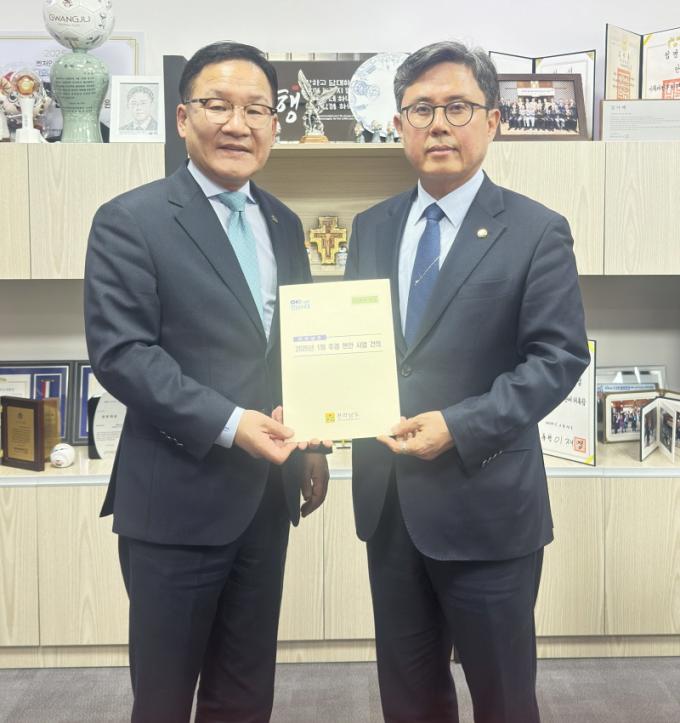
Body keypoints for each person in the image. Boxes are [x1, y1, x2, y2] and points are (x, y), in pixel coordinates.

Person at [344, 41, 589, 723]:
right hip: (391, 505)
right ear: (398, 125)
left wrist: (458, 425)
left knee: (503, 698)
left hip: (487, 508)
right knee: (408, 698)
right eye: (421, 109)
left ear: (493, 120)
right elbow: (354, 350)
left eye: (458, 107)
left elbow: (557, 358)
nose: (439, 125)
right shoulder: (371, 227)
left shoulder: (536, 231)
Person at [84, 41, 329, 723]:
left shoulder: (284, 224)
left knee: (245, 692)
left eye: (256, 110)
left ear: (275, 125)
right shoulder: (130, 220)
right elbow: (124, 353)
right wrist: (231, 422)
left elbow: (296, 347)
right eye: (218, 106)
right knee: (164, 697)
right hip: (176, 500)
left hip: (266, 498)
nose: (237, 124)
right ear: (183, 118)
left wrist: (313, 442)